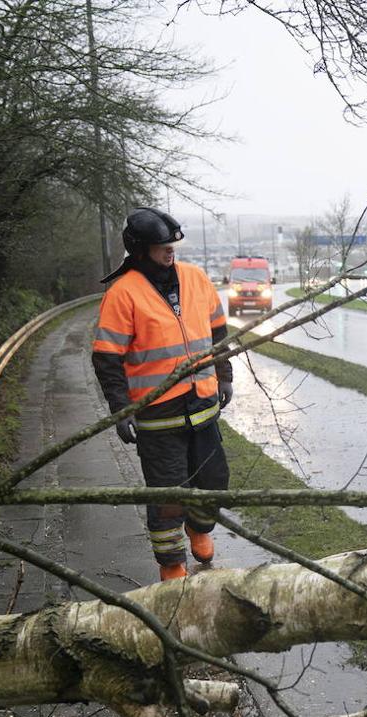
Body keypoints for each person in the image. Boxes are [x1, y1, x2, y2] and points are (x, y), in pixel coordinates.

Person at [91, 207, 234, 581]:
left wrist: (225, 374)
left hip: (203, 405)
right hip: (158, 415)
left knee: (214, 481)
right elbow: (107, 358)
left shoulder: (196, 278)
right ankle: (172, 564)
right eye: (161, 246)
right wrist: (121, 410)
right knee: (169, 496)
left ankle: (199, 529)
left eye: (172, 245)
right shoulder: (123, 294)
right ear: (140, 249)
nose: (170, 251)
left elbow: (218, 332)